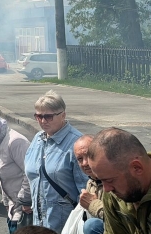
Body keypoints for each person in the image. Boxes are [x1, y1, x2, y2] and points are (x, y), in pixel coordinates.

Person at [24, 91, 88, 233]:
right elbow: (30, 172)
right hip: (39, 219)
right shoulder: (37, 139)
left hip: (65, 222)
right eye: (38, 116)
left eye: (48, 116)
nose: (43, 121)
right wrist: (25, 199)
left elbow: (86, 188)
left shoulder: (76, 143)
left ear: (63, 115)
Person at [73, 135, 103, 234]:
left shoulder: (115, 179)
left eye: (89, 156)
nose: (85, 163)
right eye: (80, 159)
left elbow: (123, 216)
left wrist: (92, 204)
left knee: (92, 225)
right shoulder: (91, 182)